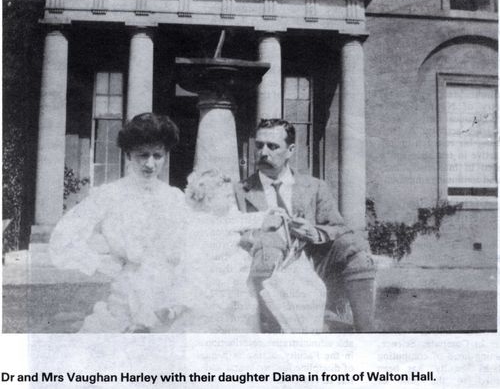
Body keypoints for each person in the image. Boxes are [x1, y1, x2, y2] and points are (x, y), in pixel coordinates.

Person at [234, 118, 376, 332]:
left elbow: (338, 228)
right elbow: (231, 233)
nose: (263, 152)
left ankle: (368, 336)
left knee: (356, 252)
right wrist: (261, 229)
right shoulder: (240, 191)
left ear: (290, 150)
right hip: (266, 262)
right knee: (269, 248)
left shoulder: (314, 186)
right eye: (259, 145)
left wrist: (315, 232)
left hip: (311, 261)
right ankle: (271, 339)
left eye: (272, 146)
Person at [50, 113, 187, 333]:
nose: (150, 164)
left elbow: (194, 248)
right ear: (128, 155)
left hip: (168, 300)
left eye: (157, 155)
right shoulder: (109, 195)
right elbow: (63, 238)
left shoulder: (176, 198)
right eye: (143, 155)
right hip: (125, 297)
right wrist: (99, 264)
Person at [163, 169, 267, 333]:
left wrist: (267, 215)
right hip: (209, 273)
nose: (232, 201)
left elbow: (244, 219)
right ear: (210, 200)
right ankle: (178, 307)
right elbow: (190, 253)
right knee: (203, 308)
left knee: (239, 311)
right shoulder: (201, 221)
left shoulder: (227, 215)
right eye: (227, 197)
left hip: (232, 273)